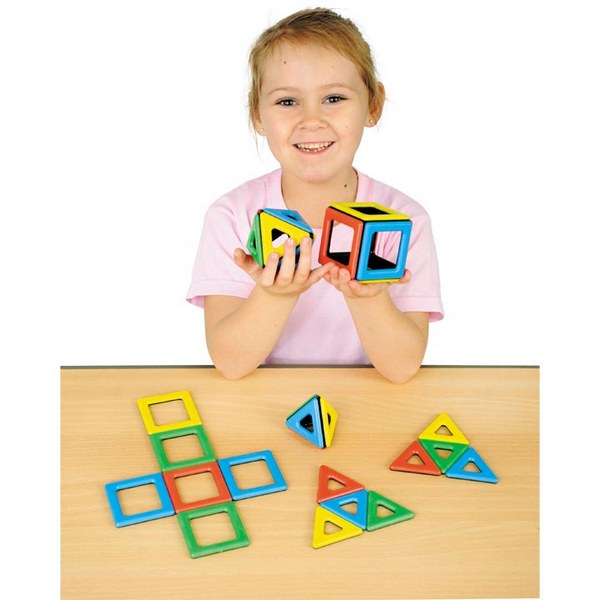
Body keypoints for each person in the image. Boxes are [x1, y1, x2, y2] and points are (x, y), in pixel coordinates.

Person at [186, 8, 443, 383]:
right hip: (265, 404)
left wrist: (369, 298)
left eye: (334, 98)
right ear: (257, 114)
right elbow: (230, 363)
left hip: (367, 403)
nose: (311, 120)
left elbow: (402, 369)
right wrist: (275, 295)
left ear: (373, 105)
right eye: (287, 102)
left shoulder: (406, 219)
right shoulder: (232, 216)